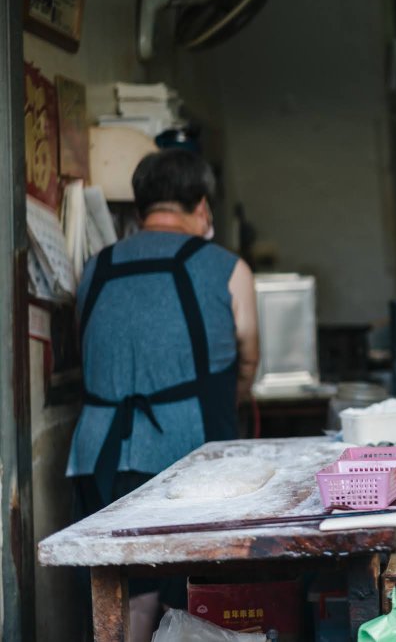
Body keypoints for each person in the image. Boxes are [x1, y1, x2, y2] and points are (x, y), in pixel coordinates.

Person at [66, 148, 260, 641]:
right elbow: (249, 360)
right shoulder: (228, 268)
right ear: (201, 206)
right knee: (183, 594)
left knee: (122, 592)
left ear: (139, 209)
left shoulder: (95, 268)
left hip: (97, 455)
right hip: (184, 456)